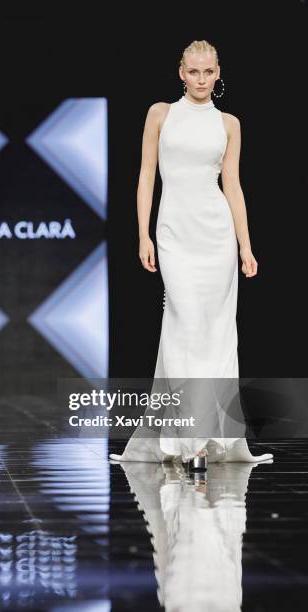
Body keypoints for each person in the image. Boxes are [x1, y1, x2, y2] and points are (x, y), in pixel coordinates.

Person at [109, 40, 273, 471]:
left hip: (216, 235)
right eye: (193, 72)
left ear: (218, 73)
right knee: (183, 323)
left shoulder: (229, 123)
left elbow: (233, 185)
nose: (201, 80)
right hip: (174, 232)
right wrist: (142, 234)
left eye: (208, 72)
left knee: (214, 331)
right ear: (181, 72)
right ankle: (186, 437)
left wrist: (246, 244)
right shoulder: (160, 113)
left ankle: (200, 441)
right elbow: (146, 176)